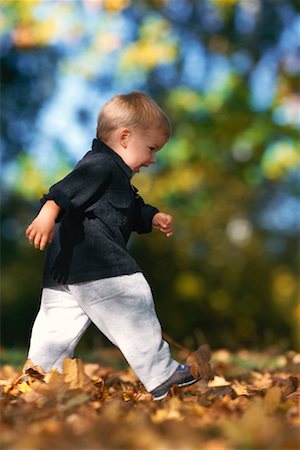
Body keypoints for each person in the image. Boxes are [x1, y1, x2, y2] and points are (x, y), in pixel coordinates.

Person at [25, 91, 202, 400]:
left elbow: (130, 208)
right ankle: (161, 374)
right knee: (134, 299)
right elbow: (67, 189)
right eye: (151, 149)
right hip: (99, 265)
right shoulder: (101, 166)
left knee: (54, 332)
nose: (153, 159)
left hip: (65, 270)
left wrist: (153, 217)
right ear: (124, 137)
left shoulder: (116, 177)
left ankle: (37, 381)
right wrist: (48, 212)